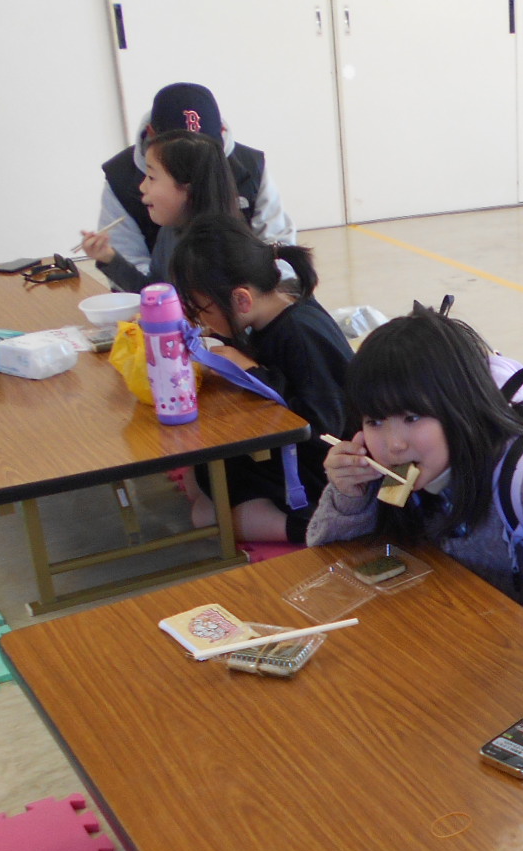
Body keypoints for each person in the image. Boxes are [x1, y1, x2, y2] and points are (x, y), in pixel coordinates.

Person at [307, 308, 523, 619]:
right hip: (463, 620)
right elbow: (338, 564)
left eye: (412, 417)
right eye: (375, 420)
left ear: (460, 406)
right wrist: (349, 494)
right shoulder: (384, 466)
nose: (394, 445)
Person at [169, 214, 352, 543]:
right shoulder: (279, 311)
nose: (198, 320)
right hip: (297, 450)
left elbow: (325, 426)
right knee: (200, 480)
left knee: (203, 514)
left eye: (201, 310)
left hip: (331, 466)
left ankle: (314, 528)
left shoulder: (300, 333)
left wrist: (252, 371)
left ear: (241, 299)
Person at [92, 82, 294, 279]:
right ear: (151, 133)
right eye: (182, 158)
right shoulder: (122, 179)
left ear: (222, 132)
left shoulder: (251, 167)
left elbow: (278, 244)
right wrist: (112, 260)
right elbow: (145, 278)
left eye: (204, 155)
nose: (195, 169)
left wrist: (270, 289)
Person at [81, 130, 241, 294]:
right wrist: (109, 257)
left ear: (188, 188)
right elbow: (154, 293)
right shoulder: (169, 232)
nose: (142, 187)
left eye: (151, 177)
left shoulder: (219, 251)